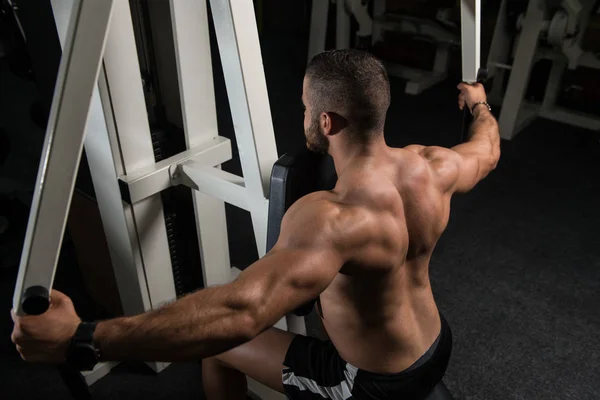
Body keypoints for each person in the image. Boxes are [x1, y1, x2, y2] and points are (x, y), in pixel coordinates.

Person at [11, 49, 500, 399]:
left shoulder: (332, 218)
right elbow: (487, 149)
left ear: (326, 122)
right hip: (436, 345)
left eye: (307, 107)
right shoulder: (433, 167)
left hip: (369, 383)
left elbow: (239, 314)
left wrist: (83, 338)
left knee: (222, 349)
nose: (304, 114)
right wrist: (478, 103)